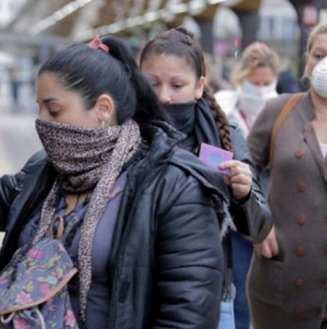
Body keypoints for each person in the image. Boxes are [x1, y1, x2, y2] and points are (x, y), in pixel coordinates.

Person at [0, 35, 230, 328]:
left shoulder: (174, 186)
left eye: (54, 110)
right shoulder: (48, 172)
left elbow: (188, 314)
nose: (41, 121)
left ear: (103, 109)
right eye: (39, 108)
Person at [138, 27, 273, 329]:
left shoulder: (226, 140)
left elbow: (260, 227)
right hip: (133, 290)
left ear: (199, 86)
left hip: (209, 297)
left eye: (177, 85)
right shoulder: (123, 134)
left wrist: (244, 195)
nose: (164, 97)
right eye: (152, 84)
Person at [247, 21, 327, 329]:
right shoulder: (278, 111)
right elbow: (243, 171)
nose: (324, 65)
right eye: (318, 55)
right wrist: (257, 224)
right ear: (306, 60)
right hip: (285, 282)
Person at [212, 41, 282, 329]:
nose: (261, 89)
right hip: (238, 215)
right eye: (255, 83)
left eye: (267, 83)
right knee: (239, 292)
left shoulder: (286, 111)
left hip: (277, 217)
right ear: (242, 77)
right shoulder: (225, 110)